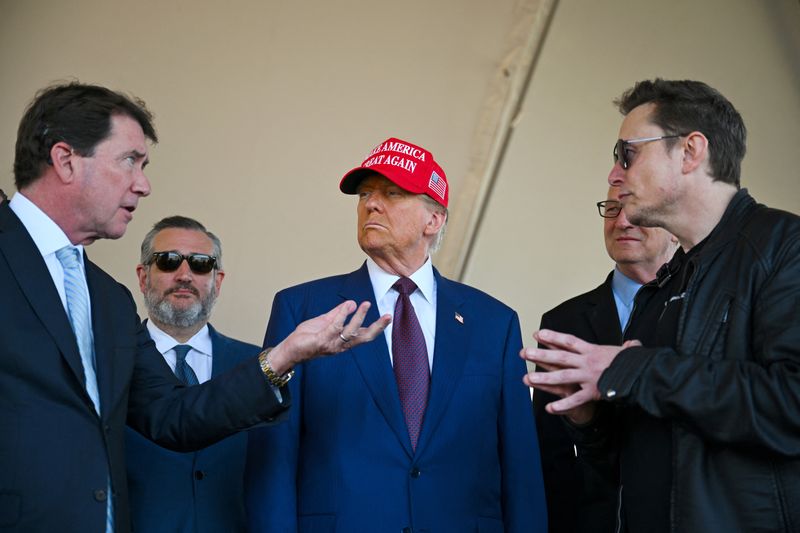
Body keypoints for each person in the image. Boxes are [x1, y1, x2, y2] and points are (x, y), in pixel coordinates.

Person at [0, 82, 390, 533]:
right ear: (66, 160)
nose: (143, 185)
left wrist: (286, 355)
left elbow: (174, 416)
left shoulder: (107, 298)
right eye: (130, 161)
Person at [523, 79, 800, 532]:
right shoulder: (663, 290)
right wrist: (588, 418)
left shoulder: (784, 249)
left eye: (627, 153)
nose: (615, 174)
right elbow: (633, 466)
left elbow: (791, 404)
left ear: (690, 152)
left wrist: (635, 369)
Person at [245, 137, 547, 532]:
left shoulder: (494, 322)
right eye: (365, 193)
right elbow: (274, 457)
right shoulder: (302, 308)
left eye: (393, 193)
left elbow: (520, 466)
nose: (371, 203)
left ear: (434, 219)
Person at [534, 186, 677, 533]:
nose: (623, 221)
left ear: (675, 229)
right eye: (612, 209)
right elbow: (548, 451)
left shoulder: (695, 317)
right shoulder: (563, 322)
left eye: (637, 211)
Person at [125, 215, 257, 532]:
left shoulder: (257, 366)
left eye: (200, 264)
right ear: (143, 277)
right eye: (168, 261)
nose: (184, 275)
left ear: (217, 281)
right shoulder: (112, 365)